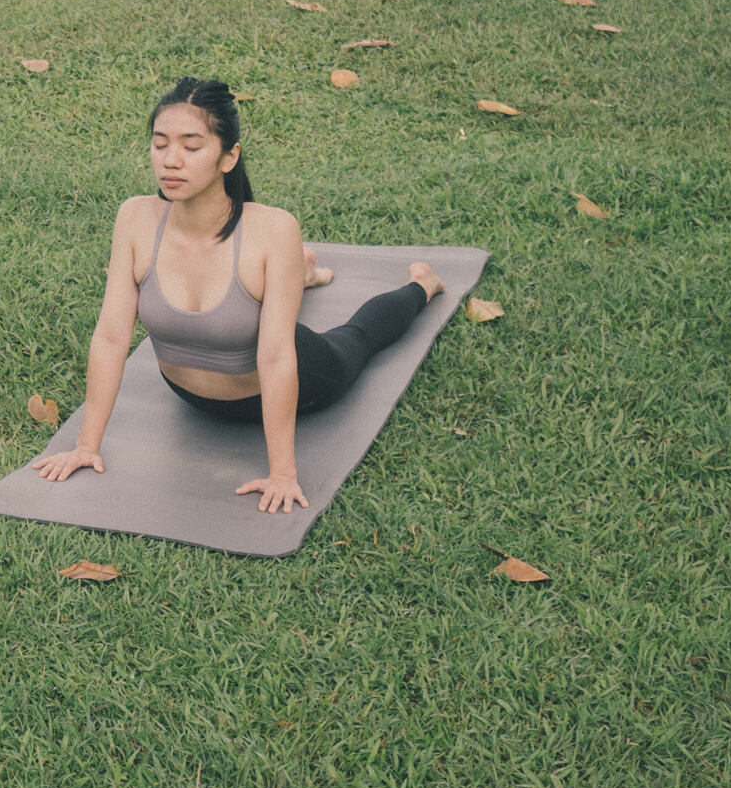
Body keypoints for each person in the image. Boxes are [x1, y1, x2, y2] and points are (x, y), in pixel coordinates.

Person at [32, 76, 445, 513]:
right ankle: (296, 275)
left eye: (191, 148)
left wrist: (282, 472)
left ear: (229, 157)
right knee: (263, 293)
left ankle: (423, 285)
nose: (171, 160)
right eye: (159, 144)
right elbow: (112, 337)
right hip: (189, 395)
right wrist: (85, 445)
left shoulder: (272, 228)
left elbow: (276, 356)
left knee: (357, 338)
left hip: (295, 384)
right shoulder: (135, 218)